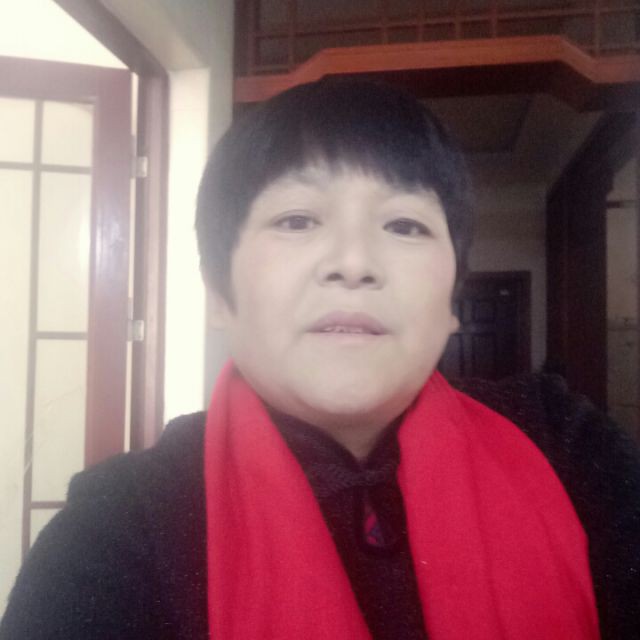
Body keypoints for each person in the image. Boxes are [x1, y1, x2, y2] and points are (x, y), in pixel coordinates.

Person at [2, 79, 639, 640]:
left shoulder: (562, 442)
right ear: (219, 294)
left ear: (452, 300)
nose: (354, 263)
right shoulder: (120, 524)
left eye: (405, 225)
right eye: (297, 220)